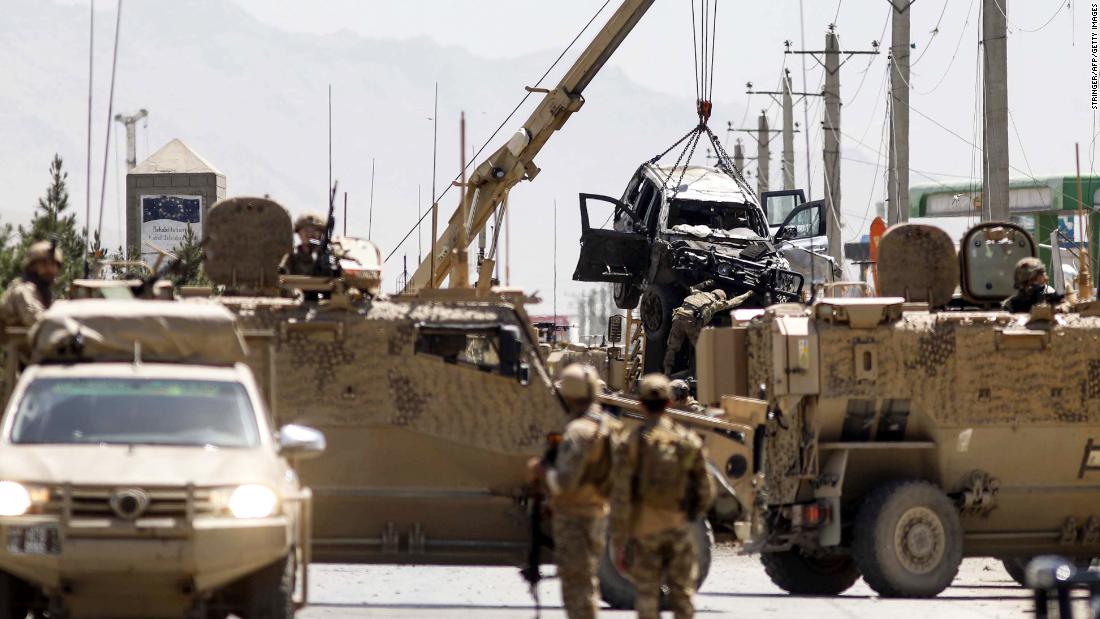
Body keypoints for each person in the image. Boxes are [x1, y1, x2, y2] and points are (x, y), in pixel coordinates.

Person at [610, 374, 714, 619]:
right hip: (679, 529)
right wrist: (688, 517)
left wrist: (619, 539)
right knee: (682, 597)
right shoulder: (687, 441)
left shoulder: (630, 443)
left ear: (640, 404)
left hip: (644, 532)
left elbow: (620, 495)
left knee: (647, 599)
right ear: (670, 403)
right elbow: (706, 490)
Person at [528, 363, 622, 619]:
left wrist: (542, 472)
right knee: (587, 583)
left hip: (574, 517)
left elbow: (565, 483)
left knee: (576, 589)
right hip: (598, 512)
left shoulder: (577, 432)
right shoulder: (609, 426)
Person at [663, 281, 752, 375]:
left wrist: (706, 283)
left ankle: (667, 372)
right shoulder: (716, 303)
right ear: (720, 298)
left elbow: (691, 287)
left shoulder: (698, 293)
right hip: (691, 323)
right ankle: (702, 374)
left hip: (678, 318)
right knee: (702, 348)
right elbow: (733, 302)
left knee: (672, 347)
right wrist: (747, 294)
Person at [1, 241, 62, 327]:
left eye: (53, 265)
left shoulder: (42, 293)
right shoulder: (23, 291)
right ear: (31, 268)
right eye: (44, 264)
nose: (50, 269)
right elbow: (39, 323)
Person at [278, 211, 326, 276]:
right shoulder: (290, 255)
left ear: (321, 234)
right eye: (306, 229)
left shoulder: (328, 256)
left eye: (315, 230)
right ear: (299, 233)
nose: (310, 233)